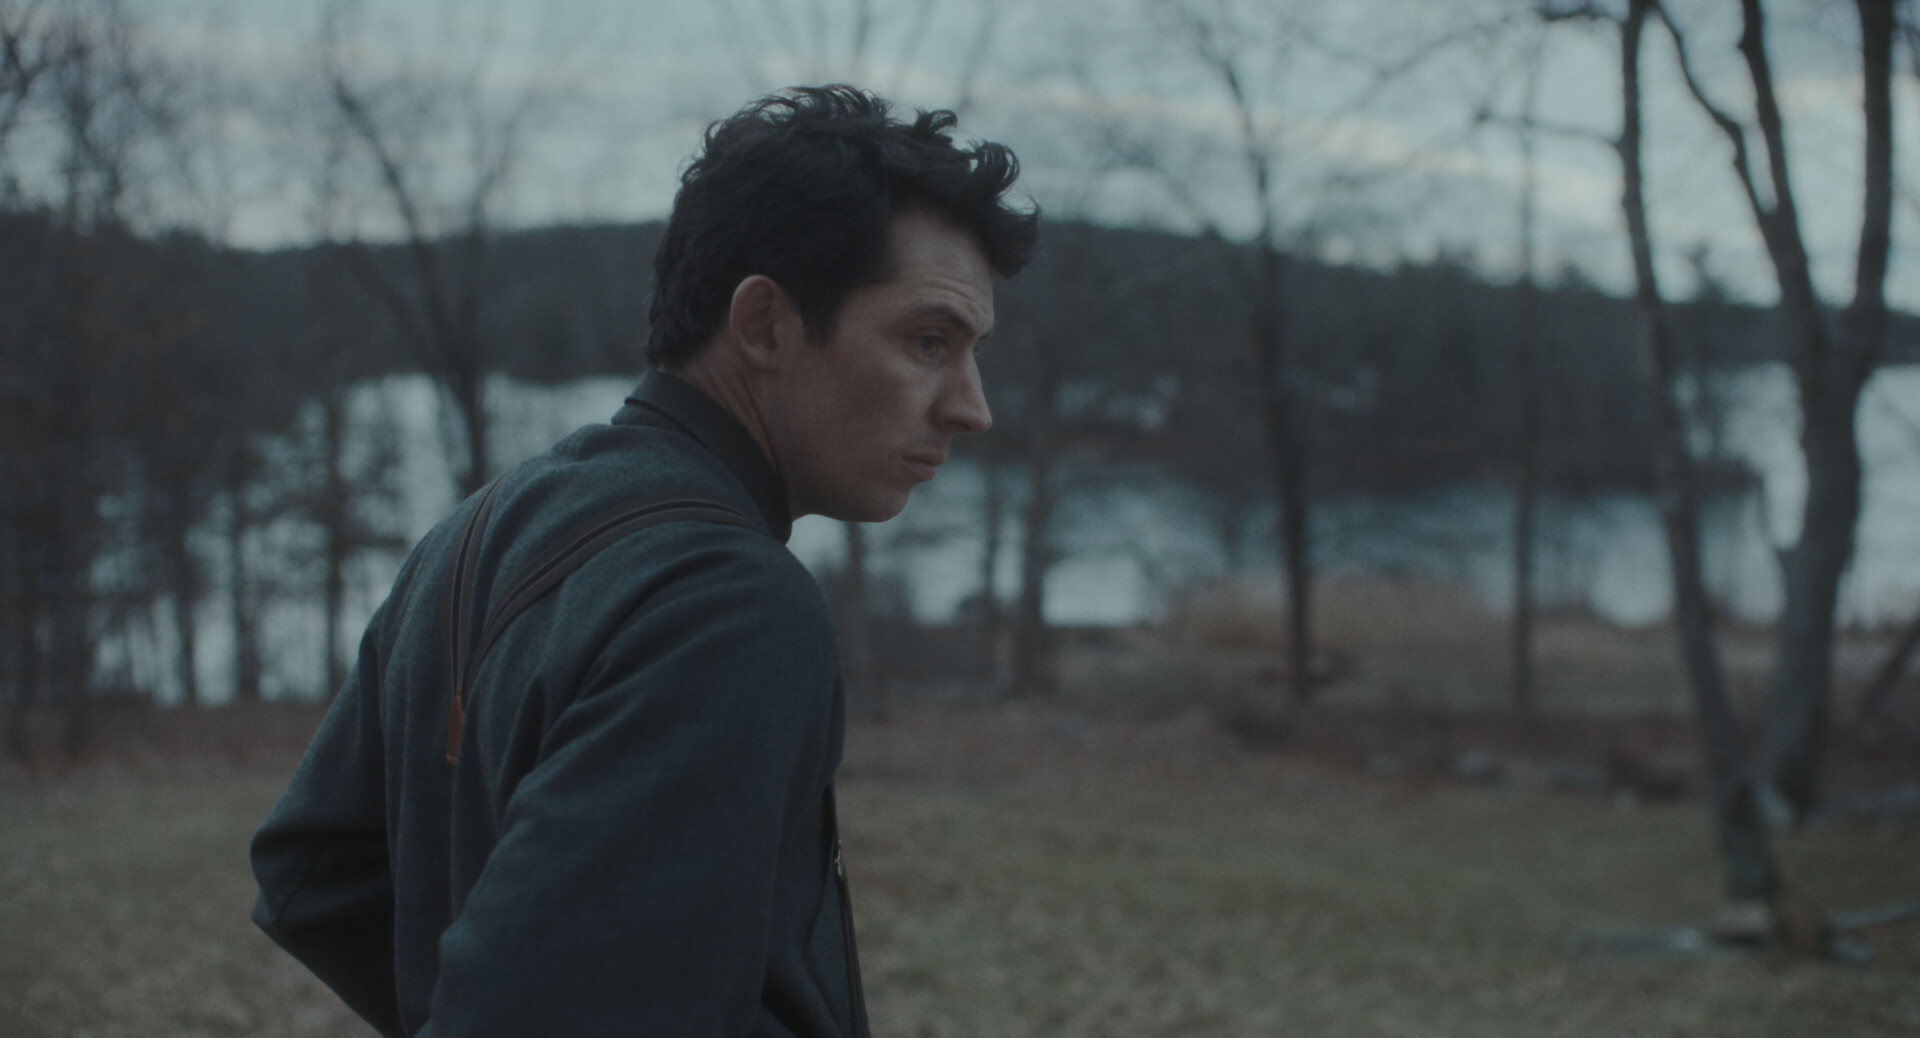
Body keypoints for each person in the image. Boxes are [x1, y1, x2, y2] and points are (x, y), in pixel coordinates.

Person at [249, 84, 1038, 1037]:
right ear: (764, 324)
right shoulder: (729, 605)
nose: (971, 407)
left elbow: (316, 874)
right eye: (928, 341)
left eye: (971, 352)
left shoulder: (485, 524)